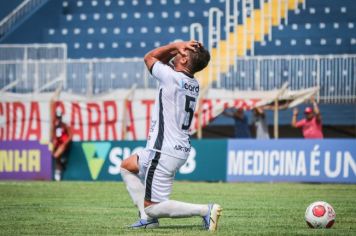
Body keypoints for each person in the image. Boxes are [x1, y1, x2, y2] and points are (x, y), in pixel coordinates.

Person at [120, 41, 222, 231]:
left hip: (163, 149)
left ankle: (205, 210)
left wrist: (175, 45)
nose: (177, 54)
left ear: (184, 58)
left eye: (181, 53)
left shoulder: (170, 77)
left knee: (153, 207)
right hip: (175, 148)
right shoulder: (192, 83)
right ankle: (147, 219)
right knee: (127, 167)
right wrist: (178, 50)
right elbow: (162, 62)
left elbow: (149, 57)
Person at [50, 106, 72, 181]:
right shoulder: (55, 126)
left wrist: (65, 143)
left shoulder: (65, 125)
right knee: (54, 155)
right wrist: (54, 141)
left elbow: (70, 136)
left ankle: (61, 164)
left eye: (59, 117)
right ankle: (60, 166)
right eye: (57, 117)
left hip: (64, 144)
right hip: (58, 144)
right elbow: (53, 136)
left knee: (56, 155)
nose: (58, 119)